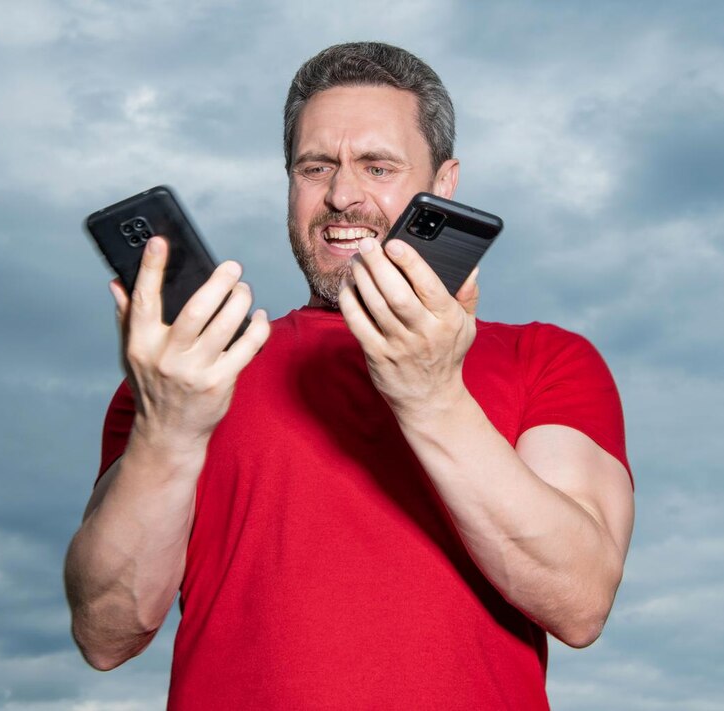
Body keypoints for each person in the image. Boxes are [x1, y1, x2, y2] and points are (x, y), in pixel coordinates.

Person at [64, 42, 634, 710]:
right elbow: (106, 632)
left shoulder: (545, 358)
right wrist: (169, 430)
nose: (341, 195)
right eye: (314, 167)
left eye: (377, 165)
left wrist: (432, 396)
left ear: (443, 185)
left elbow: (580, 598)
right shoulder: (182, 371)